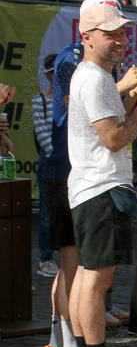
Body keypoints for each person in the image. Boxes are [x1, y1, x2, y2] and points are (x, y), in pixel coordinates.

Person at [67, 2, 137, 347]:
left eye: (123, 32)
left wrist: (136, 102)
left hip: (93, 185)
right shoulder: (94, 78)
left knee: (87, 276)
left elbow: (110, 127)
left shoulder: (97, 76)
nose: (121, 40)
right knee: (96, 278)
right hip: (101, 187)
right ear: (86, 36)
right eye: (111, 33)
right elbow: (114, 139)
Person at [32, 54, 59, 279]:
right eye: (53, 72)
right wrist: (59, 155)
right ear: (48, 75)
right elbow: (42, 134)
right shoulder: (39, 100)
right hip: (51, 163)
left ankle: (73, 257)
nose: (57, 76)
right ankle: (46, 259)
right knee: (47, 213)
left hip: (74, 164)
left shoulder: (75, 100)